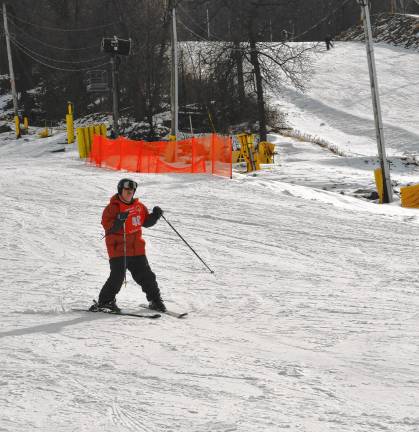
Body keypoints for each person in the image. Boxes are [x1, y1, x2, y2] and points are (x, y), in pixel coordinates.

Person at [90, 178, 166, 312]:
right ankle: (105, 301)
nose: (129, 192)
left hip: (137, 249)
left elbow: (145, 222)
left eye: (132, 190)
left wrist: (155, 216)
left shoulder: (139, 206)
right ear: (120, 190)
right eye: (126, 190)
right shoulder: (112, 208)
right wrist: (118, 221)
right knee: (117, 277)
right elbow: (108, 226)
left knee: (147, 276)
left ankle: (155, 300)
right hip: (119, 249)